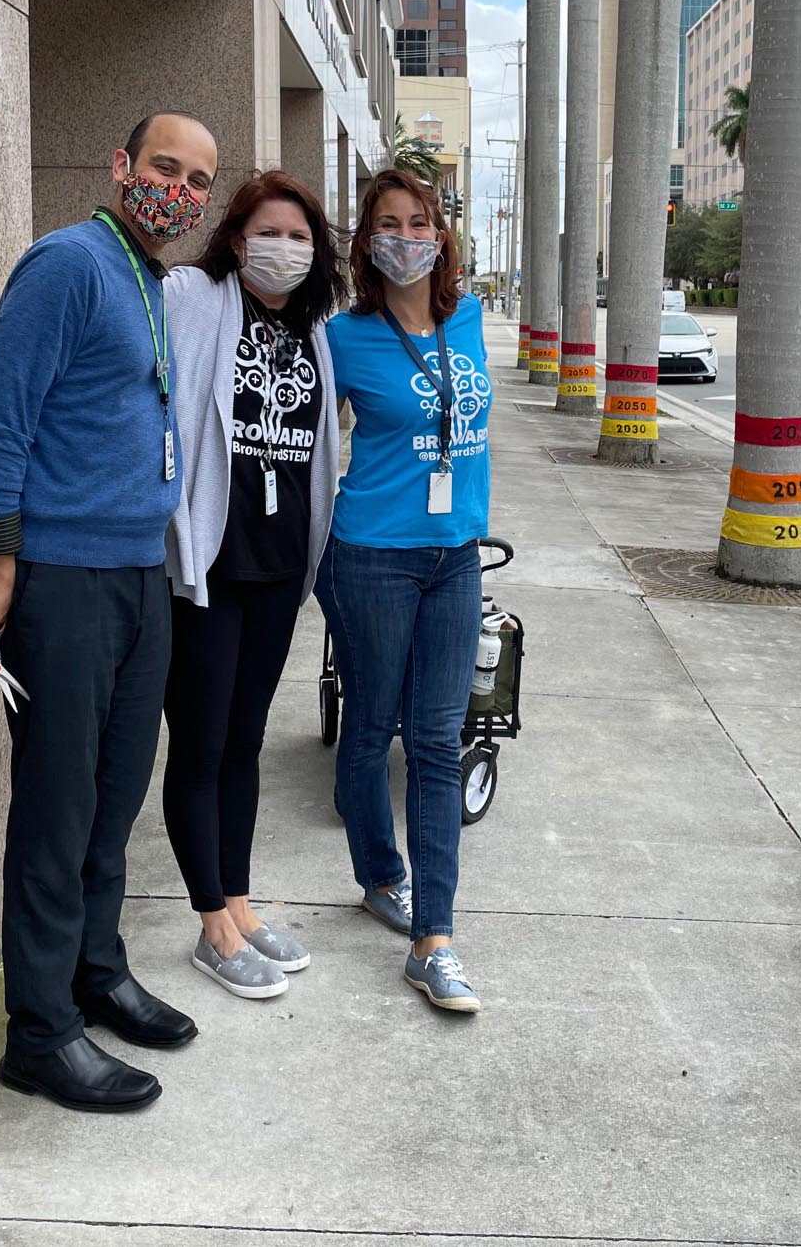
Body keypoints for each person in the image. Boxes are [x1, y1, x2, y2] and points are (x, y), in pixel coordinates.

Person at [0, 112, 219, 1113]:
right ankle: (40, 1030)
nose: (179, 191)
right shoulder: (66, 265)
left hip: (136, 575)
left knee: (113, 801)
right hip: (61, 584)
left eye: (197, 179)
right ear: (119, 165)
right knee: (58, 813)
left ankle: (94, 973)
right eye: (163, 168)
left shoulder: (147, 281)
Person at [162, 170, 344, 999]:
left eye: (302, 237)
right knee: (199, 746)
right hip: (206, 569)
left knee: (245, 744)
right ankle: (209, 927)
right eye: (270, 232)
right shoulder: (196, 298)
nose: (286, 249)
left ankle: (237, 902)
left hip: (277, 570)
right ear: (237, 240)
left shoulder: (315, 330)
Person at [317, 168, 493, 1014]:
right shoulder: (344, 337)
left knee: (435, 741)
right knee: (369, 726)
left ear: (443, 234)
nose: (407, 236)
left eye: (420, 221)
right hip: (373, 556)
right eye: (389, 223)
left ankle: (436, 940)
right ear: (367, 240)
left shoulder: (474, 323)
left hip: (455, 557)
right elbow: (313, 453)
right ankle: (379, 875)